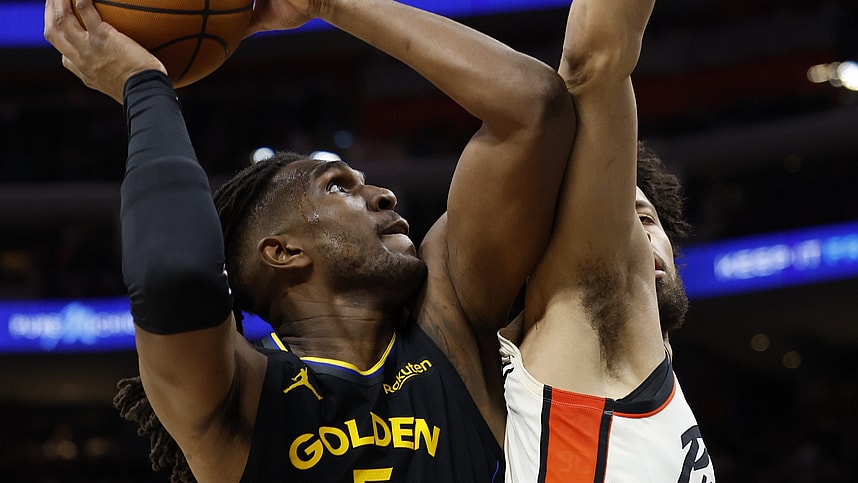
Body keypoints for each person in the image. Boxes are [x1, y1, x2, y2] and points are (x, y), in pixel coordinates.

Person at [44, 0, 576, 481]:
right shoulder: (242, 397)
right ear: (283, 252)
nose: (385, 195)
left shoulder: (446, 325)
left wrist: (328, 4)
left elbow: (533, 107)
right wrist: (143, 86)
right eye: (339, 186)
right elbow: (173, 273)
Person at [498, 0, 716, 481]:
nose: (637, 238)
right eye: (620, 226)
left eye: (646, 219)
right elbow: (589, 62)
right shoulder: (583, 317)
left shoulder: (657, 383)